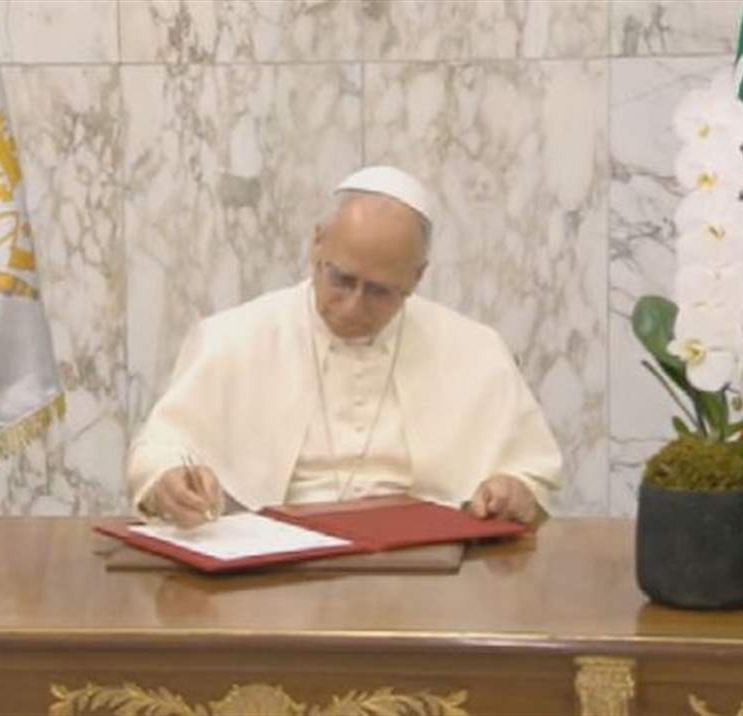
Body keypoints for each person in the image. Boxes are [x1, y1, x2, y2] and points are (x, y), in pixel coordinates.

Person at [126, 165, 563, 529]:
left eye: (379, 291)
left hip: (428, 567)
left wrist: (515, 491)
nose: (354, 306)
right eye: (342, 280)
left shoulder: (474, 350)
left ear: (417, 277)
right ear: (317, 243)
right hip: (272, 568)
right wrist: (167, 481)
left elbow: (529, 474)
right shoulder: (233, 338)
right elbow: (159, 449)